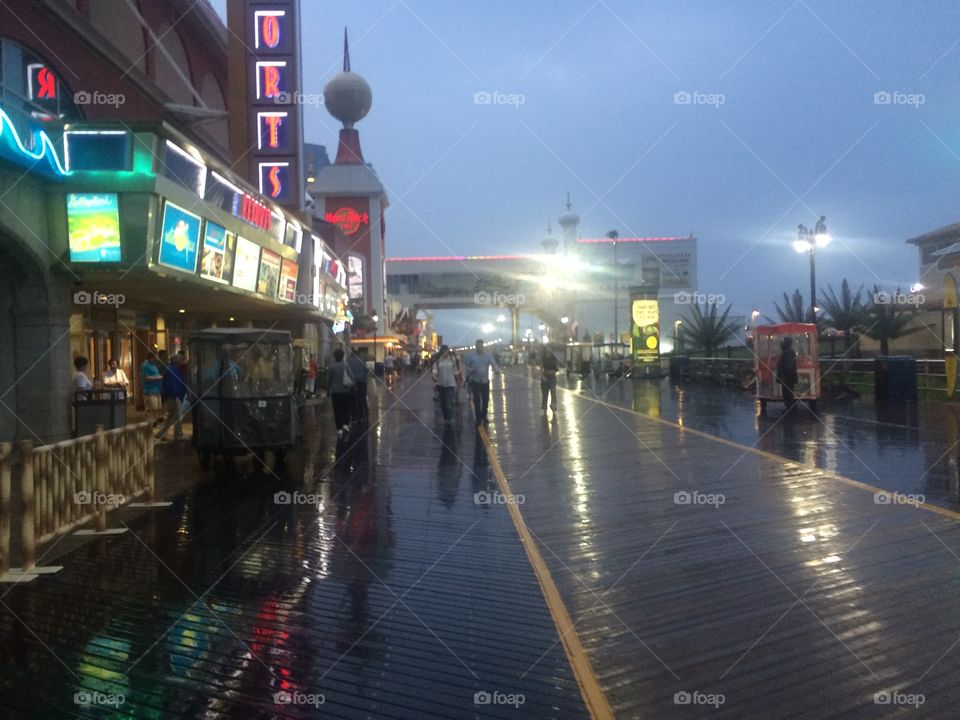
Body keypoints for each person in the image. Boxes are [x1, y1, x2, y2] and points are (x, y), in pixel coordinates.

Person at [463, 339, 500, 427]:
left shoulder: (488, 355)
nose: (479, 348)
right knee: (477, 400)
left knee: (486, 399)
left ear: (483, 347)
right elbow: (467, 367)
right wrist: (468, 375)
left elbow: (493, 363)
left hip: (485, 381)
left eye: (481, 346)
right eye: (478, 346)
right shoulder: (471, 356)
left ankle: (484, 415)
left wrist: (497, 370)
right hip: (475, 380)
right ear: (476, 347)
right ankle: (478, 418)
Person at [156, 352, 189, 440]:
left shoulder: (170, 369)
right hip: (174, 396)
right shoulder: (175, 371)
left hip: (171, 396)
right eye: (181, 360)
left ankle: (162, 433)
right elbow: (175, 384)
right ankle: (178, 434)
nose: (183, 361)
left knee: (171, 416)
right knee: (177, 416)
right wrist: (177, 394)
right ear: (177, 361)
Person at [327, 347, 355, 436]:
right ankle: (345, 424)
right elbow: (352, 377)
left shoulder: (331, 366)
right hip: (345, 390)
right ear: (343, 356)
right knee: (346, 407)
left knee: (337, 409)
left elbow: (329, 379)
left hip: (335, 391)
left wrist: (328, 389)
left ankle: (339, 428)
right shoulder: (346, 365)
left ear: (335, 356)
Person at [432, 345, 459, 424]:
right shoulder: (437, 361)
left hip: (450, 384)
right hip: (440, 384)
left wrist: (459, 379)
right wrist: (434, 378)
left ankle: (450, 418)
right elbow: (434, 371)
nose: (445, 353)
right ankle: (446, 418)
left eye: (446, 351)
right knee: (443, 403)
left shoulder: (452, 360)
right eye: (443, 351)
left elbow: (455, 371)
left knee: (448, 402)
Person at [776, 337, 799, 410]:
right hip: (788, 377)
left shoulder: (787, 352)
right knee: (788, 391)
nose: (781, 343)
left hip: (787, 377)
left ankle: (790, 405)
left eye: (782, 342)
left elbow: (789, 366)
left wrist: (785, 376)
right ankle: (790, 405)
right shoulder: (788, 352)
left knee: (787, 392)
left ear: (786, 343)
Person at [347, 351, 369, 424]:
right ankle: (363, 415)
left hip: (352, 383)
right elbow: (366, 370)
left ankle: (354, 417)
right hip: (361, 382)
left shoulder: (348, 361)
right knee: (362, 399)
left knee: (352, 400)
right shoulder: (361, 360)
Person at [140, 353, 163, 423]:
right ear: (151, 357)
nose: (157, 358)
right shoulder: (145, 365)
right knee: (151, 409)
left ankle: (156, 423)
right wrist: (158, 377)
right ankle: (150, 425)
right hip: (150, 390)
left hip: (157, 390)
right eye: (156, 357)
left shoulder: (154, 365)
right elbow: (146, 378)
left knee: (157, 408)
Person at [540, 347, 559, 416]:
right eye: (548, 348)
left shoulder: (554, 358)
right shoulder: (543, 357)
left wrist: (553, 372)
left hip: (552, 376)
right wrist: (542, 376)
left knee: (553, 391)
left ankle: (553, 405)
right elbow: (541, 367)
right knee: (545, 393)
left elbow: (556, 367)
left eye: (550, 348)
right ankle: (543, 408)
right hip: (545, 375)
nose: (549, 349)